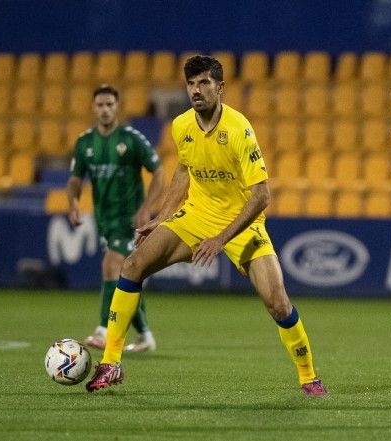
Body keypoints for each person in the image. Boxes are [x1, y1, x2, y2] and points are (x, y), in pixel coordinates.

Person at [85, 56, 328, 396]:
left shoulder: (239, 129)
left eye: (204, 83)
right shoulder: (181, 125)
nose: (196, 91)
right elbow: (183, 172)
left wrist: (220, 239)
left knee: (277, 302)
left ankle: (308, 376)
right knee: (133, 264)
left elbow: (262, 195)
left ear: (220, 88)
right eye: (191, 84)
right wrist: (162, 219)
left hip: (241, 222)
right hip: (197, 215)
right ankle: (111, 363)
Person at [67, 85, 164, 352]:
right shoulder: (85, 143)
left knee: (111, 266)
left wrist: (146, 208)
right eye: (100, 105)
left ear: (117, 106)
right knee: (125, 275)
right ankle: (144, 335)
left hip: (130, 220)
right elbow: (75, 180)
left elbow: (159, 173)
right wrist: (73, 203)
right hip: (104, 220)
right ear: (93, 108)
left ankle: (103, 328)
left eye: (110, 104)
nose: (105, 109)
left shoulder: (131, 139)